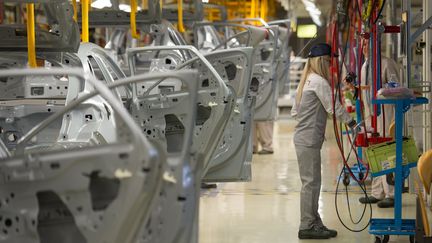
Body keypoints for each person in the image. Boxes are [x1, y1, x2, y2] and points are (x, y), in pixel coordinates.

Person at [291, 43, 357, 239]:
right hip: (308, 140)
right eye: (328, 61)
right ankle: (307, 225)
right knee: (310, 184)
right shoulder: (319, 82)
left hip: (304, 138)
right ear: (321, 61)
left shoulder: (306, 81)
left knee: (311, 183)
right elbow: (333, 108)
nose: (329, 66)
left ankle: (313, 221)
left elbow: (296, 112)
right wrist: (352, 122)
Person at [358, 39, 399, 208]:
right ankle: (377, 192)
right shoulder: (364, 66)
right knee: (373, 151)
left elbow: (396, 87)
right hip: (370, 114)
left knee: (386, 151)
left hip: (385, 112)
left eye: (367, 43)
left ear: (377, 44)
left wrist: (382, 90)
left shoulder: (387, 64)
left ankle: (390, 193)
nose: (364, 46)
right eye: (362, 43)